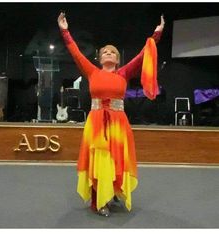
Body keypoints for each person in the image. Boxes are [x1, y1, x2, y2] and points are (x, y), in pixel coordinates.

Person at [58, 12, 165, 217]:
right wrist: (64, 31)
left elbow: (144, 54)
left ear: (117, 59)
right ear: (99, 59)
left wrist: (157, 34)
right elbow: (75, 52)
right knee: (100, 159)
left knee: (116, 159)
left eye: (112, 52)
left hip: (118, 123)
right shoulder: (92, 72)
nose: (108, 53)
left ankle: (113, 190)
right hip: (97, 123)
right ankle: (100, 200)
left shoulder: (123, 73)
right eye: (105, 51)